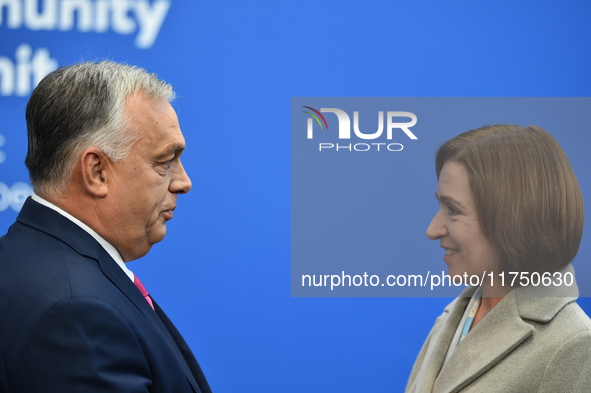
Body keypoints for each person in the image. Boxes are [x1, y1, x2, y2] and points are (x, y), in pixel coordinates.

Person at [0, 61, 212, 393]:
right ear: (97, 171)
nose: (183, 182)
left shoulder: (23, 259)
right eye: (164, 161)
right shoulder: (76, 312)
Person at [406, 125, 591, 392]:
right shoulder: (453, 317)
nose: (432, 229)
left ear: (514, 219)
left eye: (453, 209)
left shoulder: (575, 346)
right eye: (441, 206)